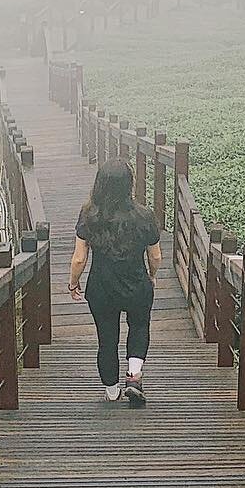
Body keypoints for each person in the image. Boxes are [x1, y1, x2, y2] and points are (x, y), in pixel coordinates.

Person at [68, 157, 162, 404]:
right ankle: (133, 374)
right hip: (136, 284)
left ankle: (111, 390)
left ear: (100, 184)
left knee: (106, 339)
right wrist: (152, 276)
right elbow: (155, 255)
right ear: (129, 184)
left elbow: (79, 258)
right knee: (139, 326)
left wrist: (73, 283)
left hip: (101, 287)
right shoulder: (144, 215)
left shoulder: (90, 214)